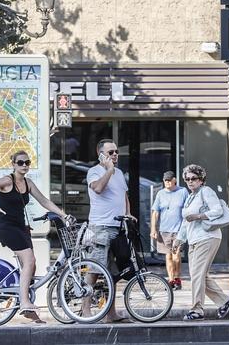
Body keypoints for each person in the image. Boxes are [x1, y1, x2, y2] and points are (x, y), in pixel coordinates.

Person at [0, 150, 72, 323]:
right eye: (20, 162)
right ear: (13, 164)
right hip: (6, 227)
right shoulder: (7, 181)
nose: (24, 165)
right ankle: (25, 303)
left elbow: (44, 201)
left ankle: (28, 309)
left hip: (22, 227)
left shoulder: (28, 183)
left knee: (31, 266)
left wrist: (63, 215)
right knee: (29, 261)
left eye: (27, 162)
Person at [84, 138, 135, 323]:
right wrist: (109, 171)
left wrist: (128, 213)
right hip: (101, 227)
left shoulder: (120, 173)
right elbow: (97, 188)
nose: (115, 155)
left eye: (116, 152)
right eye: (110, 152)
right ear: (101, 155)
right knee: (96, 268)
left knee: (113, 273)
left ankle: (110, 313)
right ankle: (85, 310)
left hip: (118, 227)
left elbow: (124, 195)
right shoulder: (94, 171)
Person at [174, 164, 229, 321]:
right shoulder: (189, 197)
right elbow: (186, 222)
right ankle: (224, 301)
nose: (190, 182)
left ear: (201, 180)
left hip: (208, 237)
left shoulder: (206, 192)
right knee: (198, 275)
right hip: (194, 239)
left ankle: (197, 310)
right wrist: (179, 239)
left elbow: (217, 210)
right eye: (187, 179)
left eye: (193, 179)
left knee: (197, 275)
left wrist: (198, 216)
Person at [150, 170, 188, 290]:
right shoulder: (160, 194)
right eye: (165, 181)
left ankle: (177, 279)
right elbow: (155, 213)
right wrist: (153, 229)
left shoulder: (183, 191)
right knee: (168, 256)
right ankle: (171, 280)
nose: (167, 183)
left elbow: (188, 209)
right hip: (164, 230)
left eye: (169, 180)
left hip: (179, 230)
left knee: (176, 255)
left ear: (174, 180)